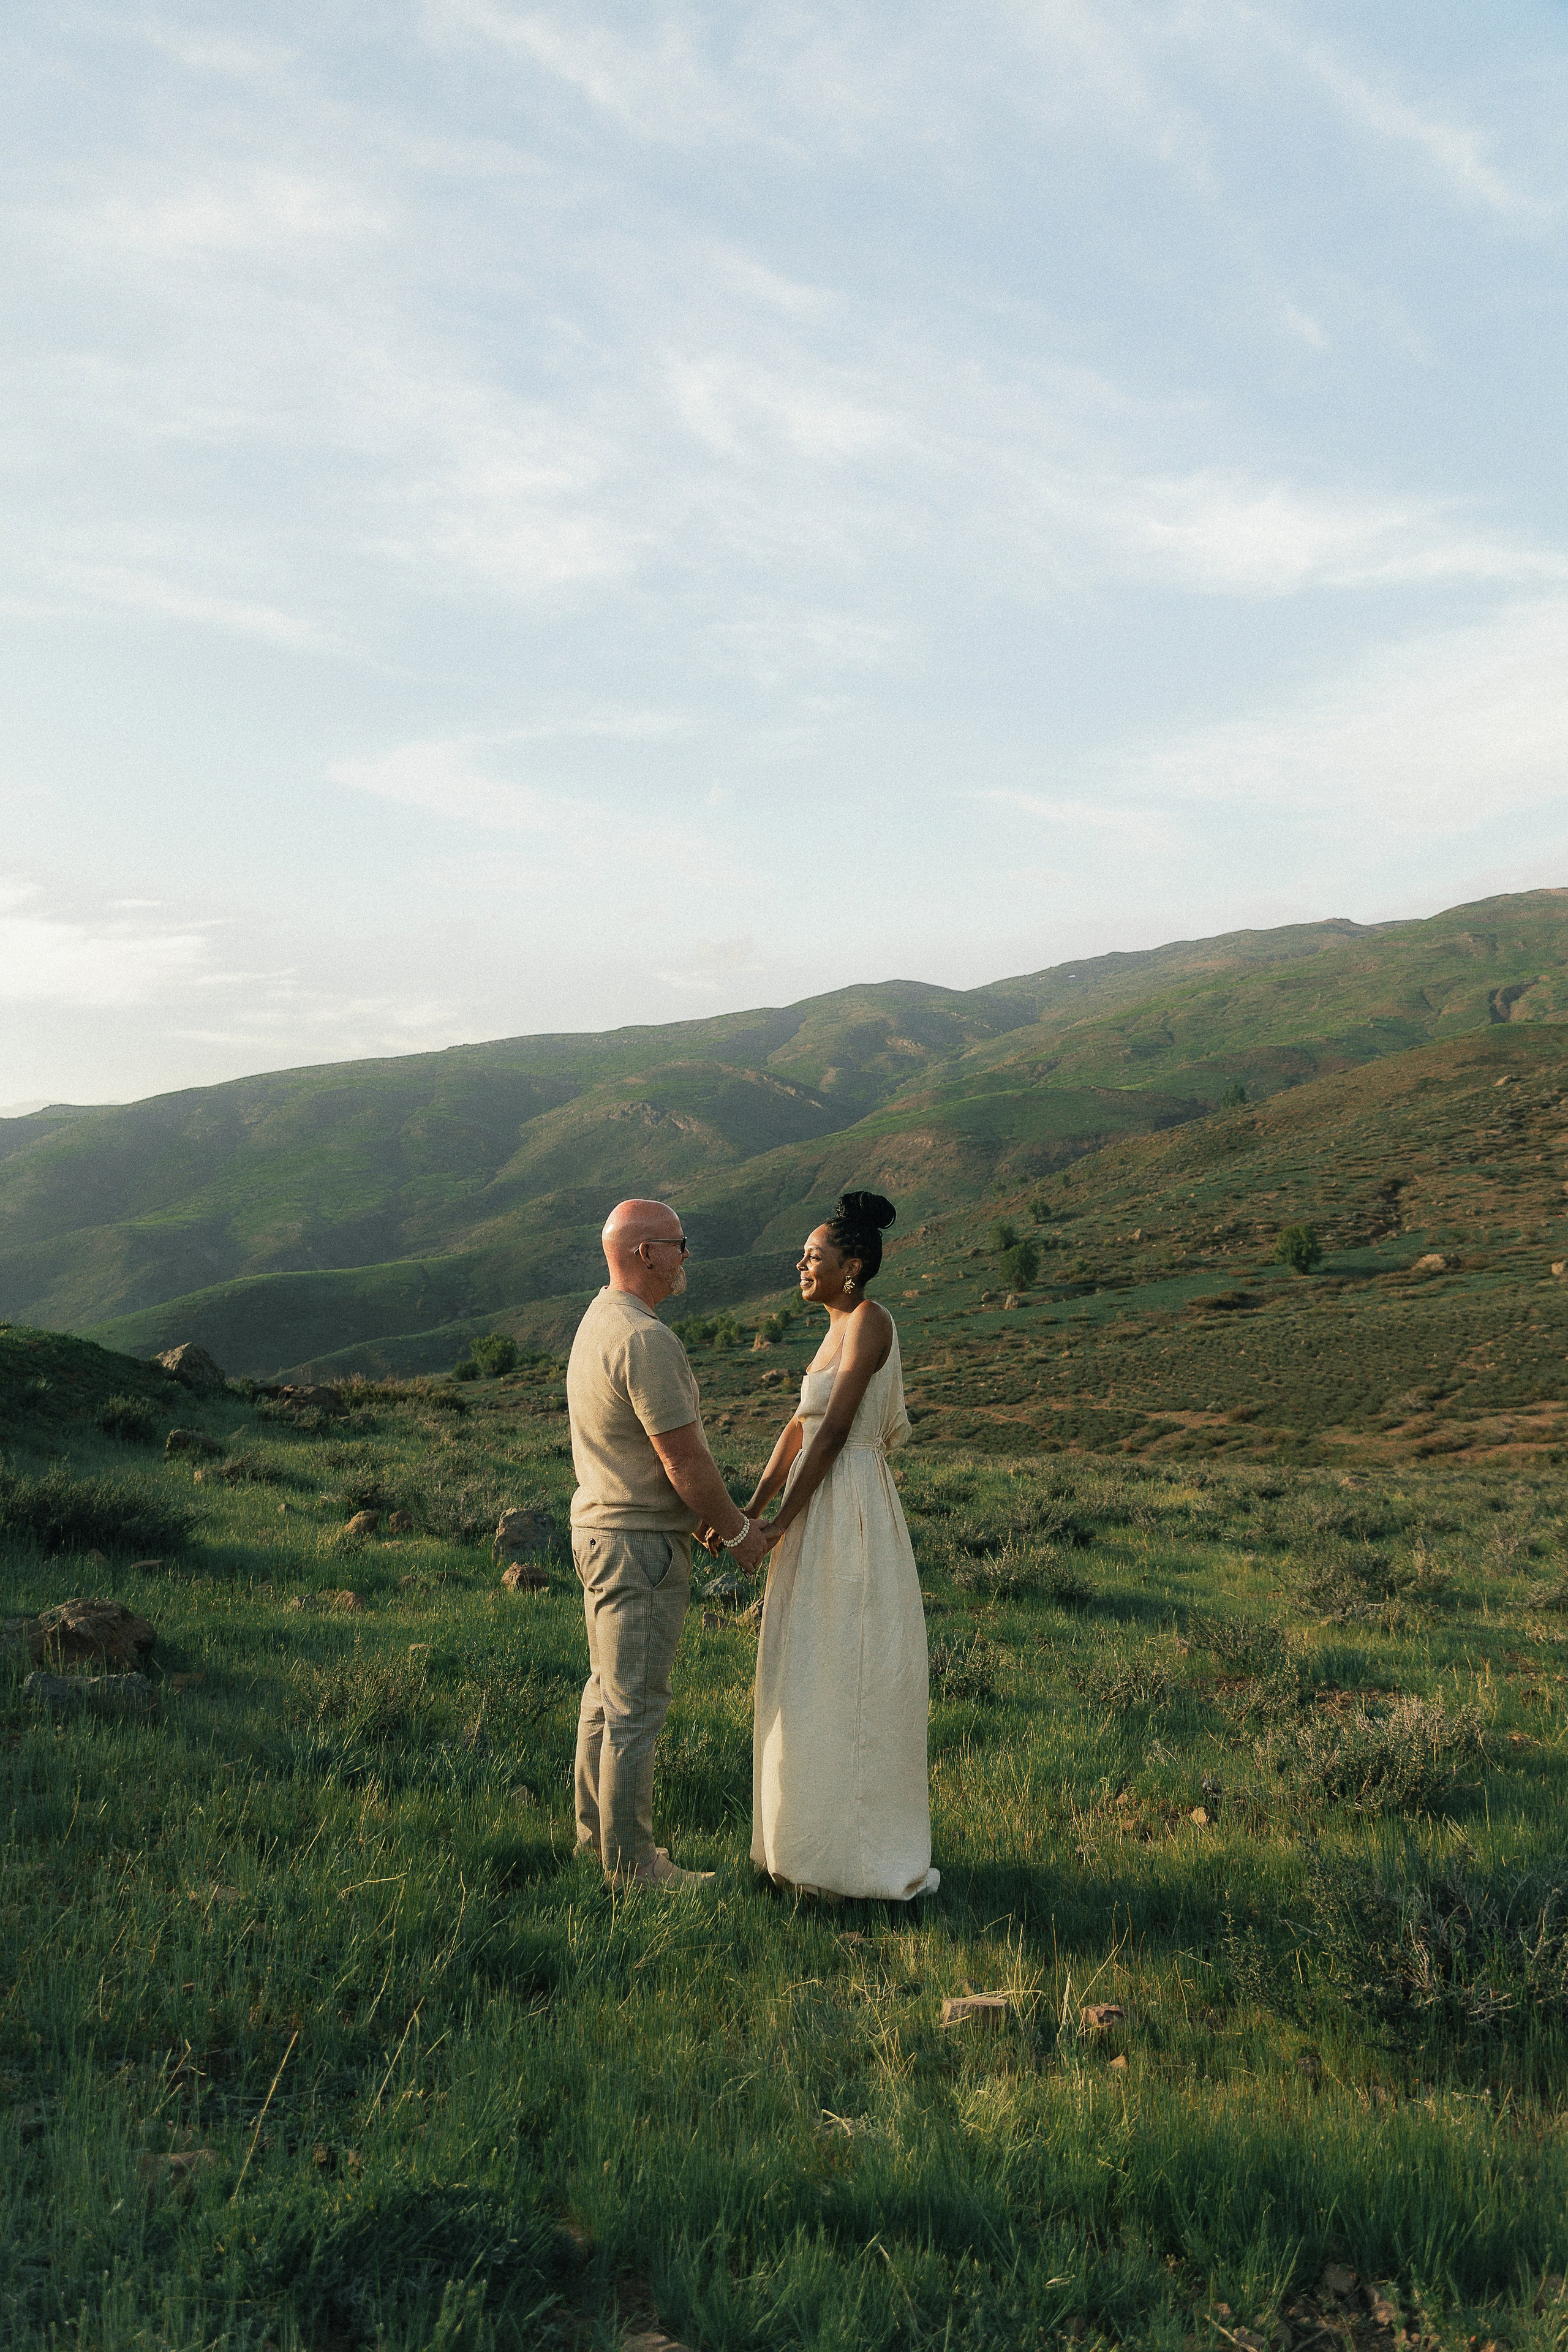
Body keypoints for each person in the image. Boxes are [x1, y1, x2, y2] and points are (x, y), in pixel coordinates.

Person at [737, 1190, 939, 1901]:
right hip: (813, 1501)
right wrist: (751, 1512)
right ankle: (802, 1849)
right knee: (807, 1668)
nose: (801, 1263)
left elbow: (832, 1433)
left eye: (813, 1255)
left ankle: (855, 1862)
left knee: (848, 1669)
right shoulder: (832, 1329)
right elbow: (796, 1429)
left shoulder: (871, 1323)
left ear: (851, 1267)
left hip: (848, 1505)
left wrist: (782, 1522)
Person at [567, 1197, 770, 1888]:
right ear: (646, 1253)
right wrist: (740, 1532)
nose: (687, 1256)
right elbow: (683, 1461)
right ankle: (633, 1868)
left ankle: (593, 1843)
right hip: (640, 1543)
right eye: (679, 1243)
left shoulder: (599, 1319)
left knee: (606, 1695)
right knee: (636, 1708)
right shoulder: (646, 1339)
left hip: (599, 1531)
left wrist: (707, 1518)